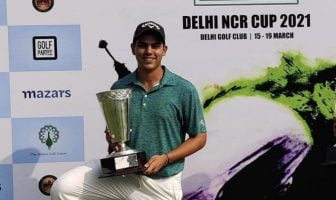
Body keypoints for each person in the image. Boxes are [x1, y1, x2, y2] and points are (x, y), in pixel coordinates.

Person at [50, 20, 207, 200]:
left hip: (161, 182)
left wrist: (166, 158)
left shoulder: (183, 89)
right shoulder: (120, 87)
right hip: (124, 171)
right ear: (133, 48)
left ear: (164, 50)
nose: (149, 51)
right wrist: (113, 140)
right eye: (142, 45)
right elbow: (115, 139)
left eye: (155, 46)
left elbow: (199, 137)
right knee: (63, 188)